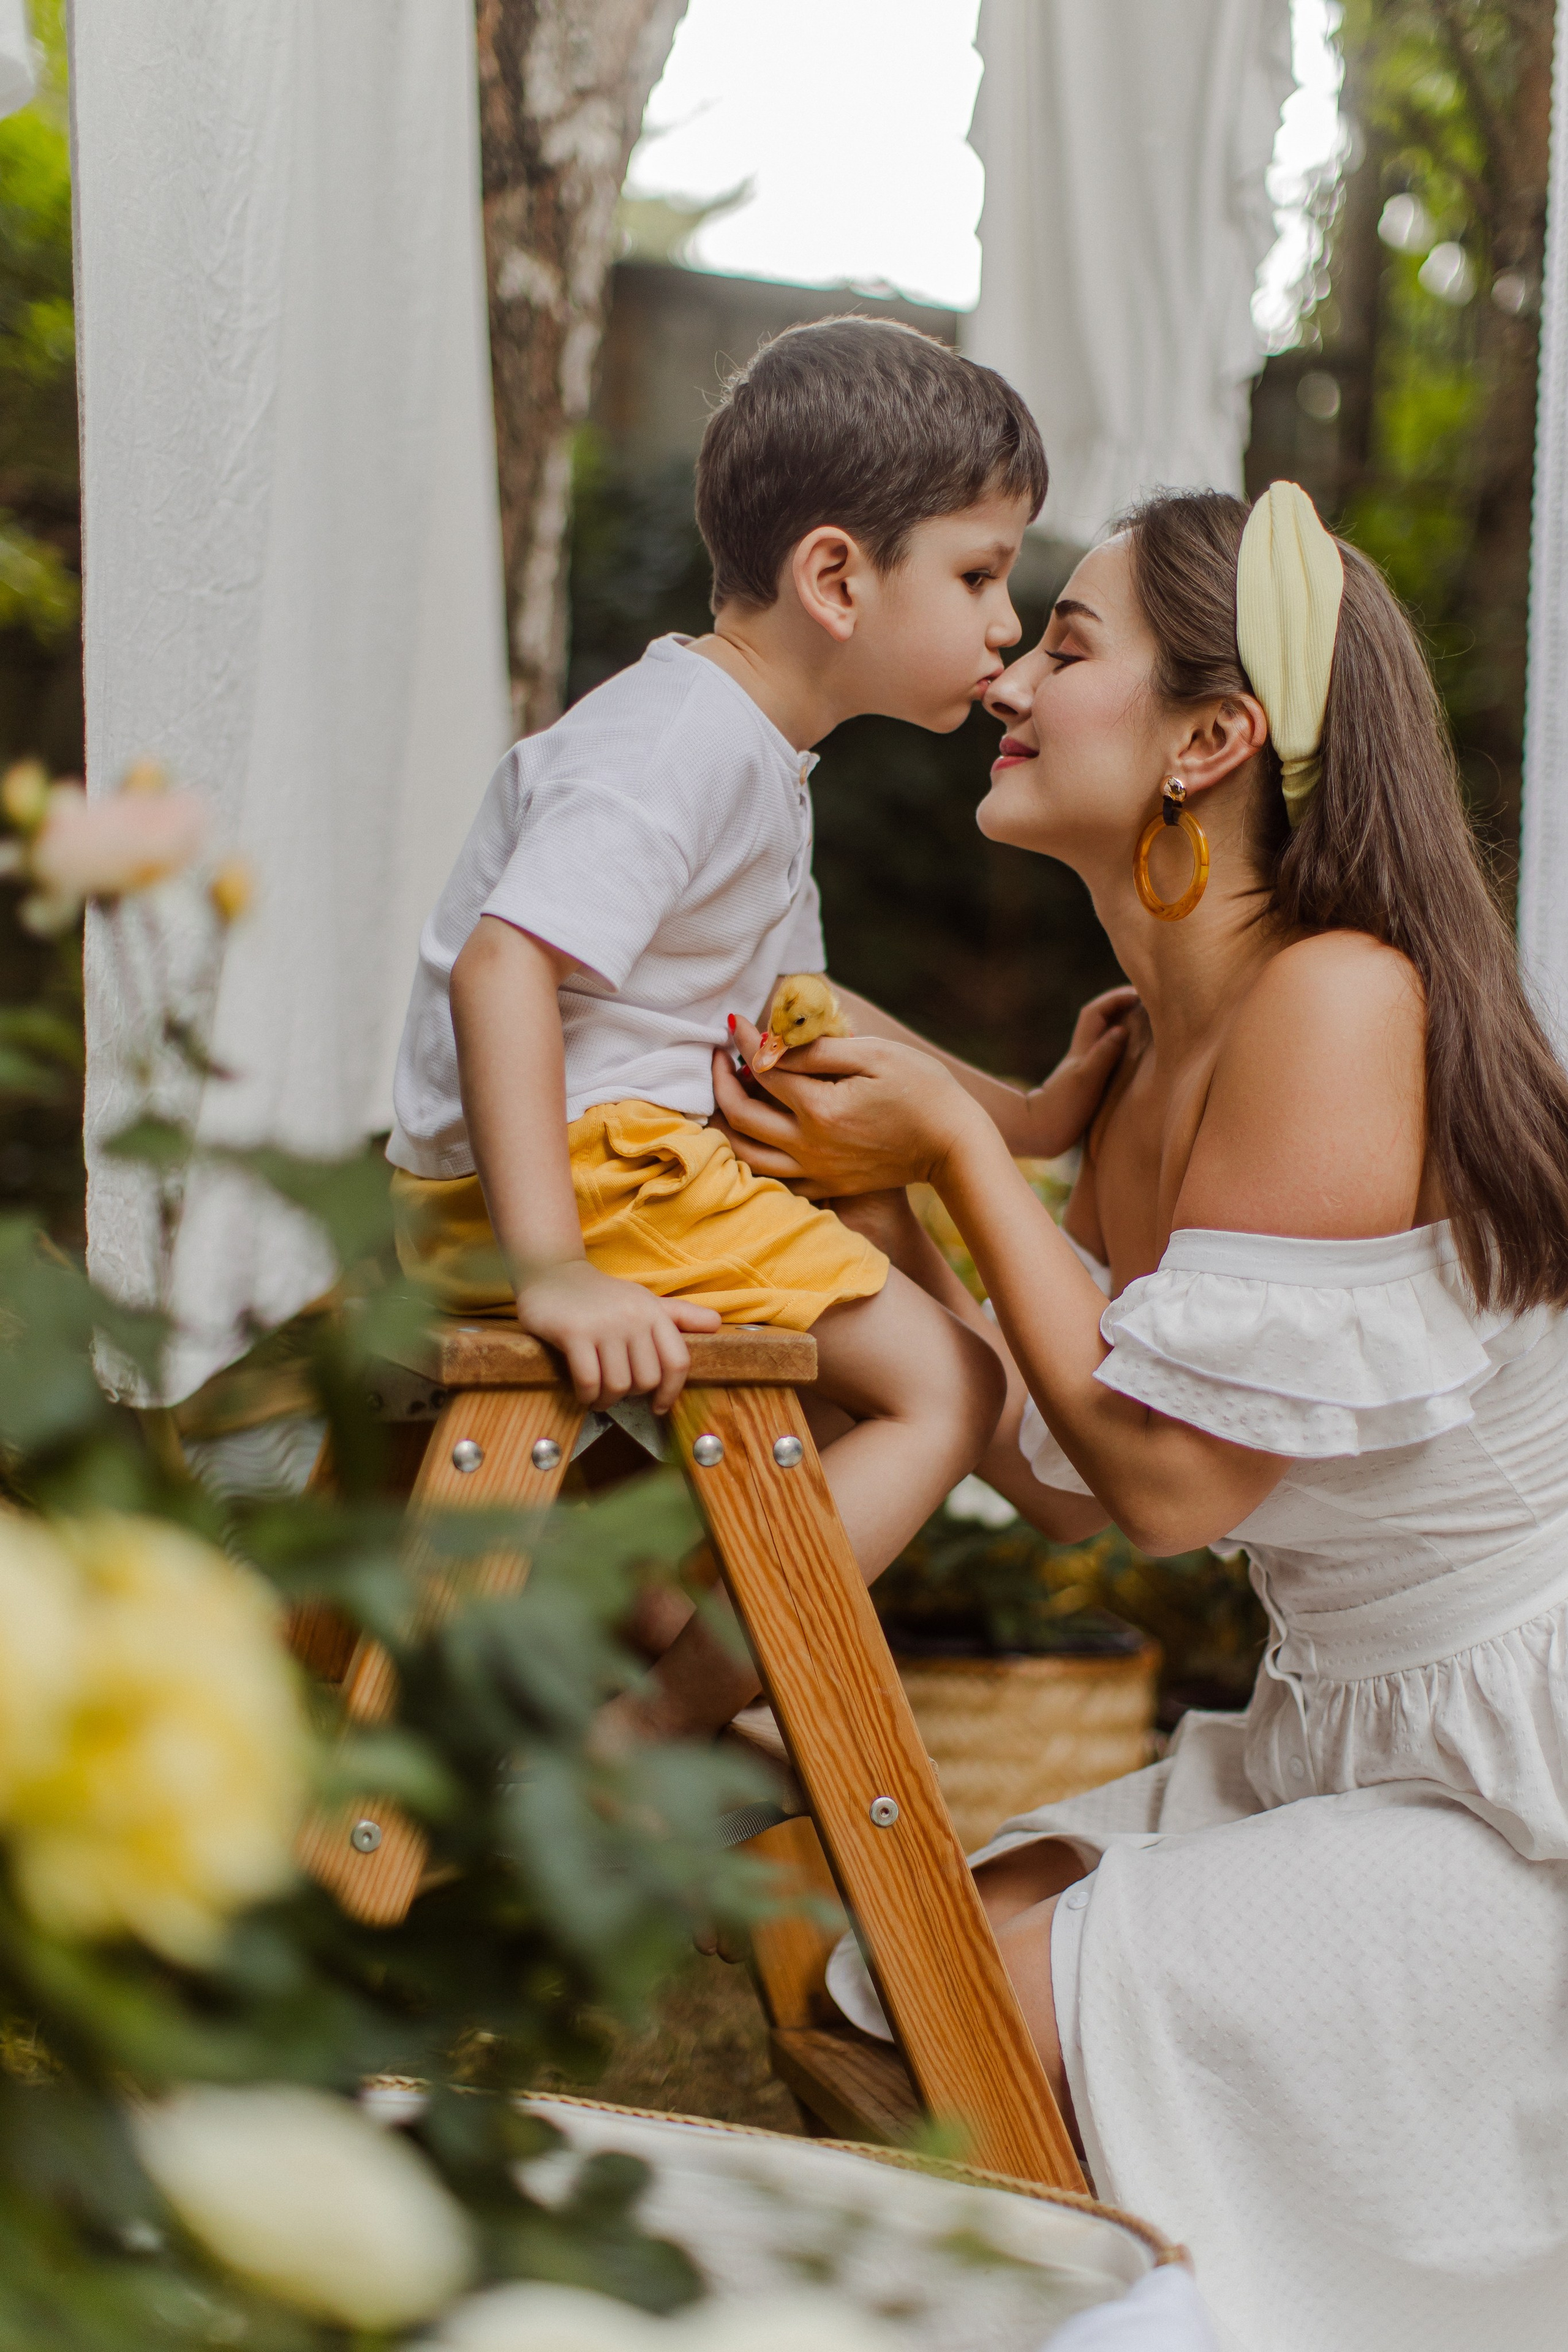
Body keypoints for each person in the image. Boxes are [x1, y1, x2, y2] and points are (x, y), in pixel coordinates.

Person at [710, 483, 1568, 2352]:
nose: (1009, 673)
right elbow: (1064, 1473)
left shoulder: (1342, 1003)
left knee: (995, 2000)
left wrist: (954, 1138)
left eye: (1067, 644)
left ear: (1213, 739)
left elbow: (1174, 1486)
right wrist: (873, 1202)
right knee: (892, 1969)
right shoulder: (1149, 1055)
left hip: (1526, 1800)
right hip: (1351, 1734)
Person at [383, 317, 1129, 1745]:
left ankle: (678, 1652)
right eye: (980, 575)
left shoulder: (746, 750)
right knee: (949, 1383)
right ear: (837, 578)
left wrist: (1021, 1118)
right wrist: (554, 1275)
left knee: (863, 1392)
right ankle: (655, 1730)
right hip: (581, 1178)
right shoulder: (681, 743)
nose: (1002, 629)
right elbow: (500, 970)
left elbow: (804, 1018)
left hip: (591, 1168)